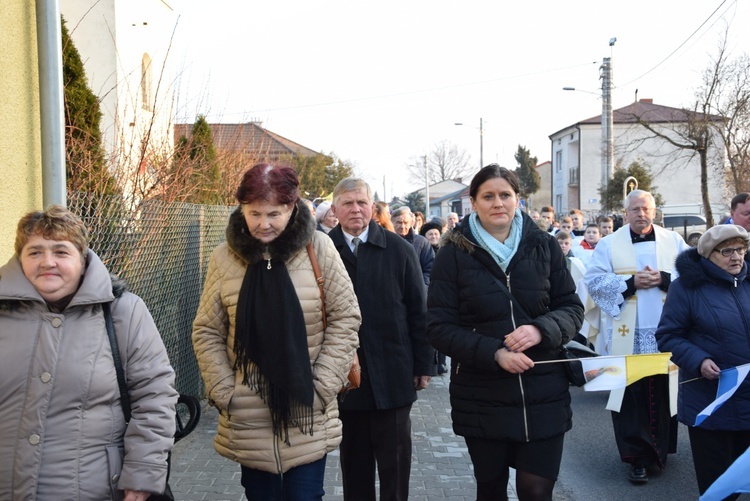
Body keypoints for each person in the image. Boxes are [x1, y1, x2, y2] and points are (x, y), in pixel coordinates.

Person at [191, 164, 361, 500]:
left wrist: (322, 386)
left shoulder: (319, 249)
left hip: (308, 410)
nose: (262, 224)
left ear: (292, 208)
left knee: (305, 496)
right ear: (241, 208)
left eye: (273, 214)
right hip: (247, 415)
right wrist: (225, 390)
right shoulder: (224, 258)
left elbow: (346, 318)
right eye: (254, 213)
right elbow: (207, 329)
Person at [427, 165, 584, 501]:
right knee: (491, 490)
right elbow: (438, 327)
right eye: (488, 196)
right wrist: (493, 353)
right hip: (483, 394)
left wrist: (541, 330)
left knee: (536, 490)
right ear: (473, 202)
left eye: (505, 195)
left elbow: (572, 308)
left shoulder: (544, 245)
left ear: (517, 200)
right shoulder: (452, 254)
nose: (498, 203)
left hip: (543, 390)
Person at [0, 206, 178, 500]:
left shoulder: (123, 311)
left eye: (60, 251)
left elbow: (154, 396)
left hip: (95, 488)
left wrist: (142, 474)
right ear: (20, 259)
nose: (47, 262)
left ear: (82, 260)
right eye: (35, 252)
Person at [328, 177, 434, 501]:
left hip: (394, 375)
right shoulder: (320, 251)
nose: (355, 209)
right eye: (347, 203)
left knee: (396, 470)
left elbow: (419, 311)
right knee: (355, 470)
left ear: (372, 207)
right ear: (334, 209)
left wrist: (424, 364)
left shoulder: (399, 249)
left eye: (361, 202)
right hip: (346, 380)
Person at [584, 189, 689, 484]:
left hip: (666, 333)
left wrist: (664, 279)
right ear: (625, 213)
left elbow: (692, 277)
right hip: (626, 335)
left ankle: (659, 450)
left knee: (662, 390)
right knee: (631, 395)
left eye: (645, 209)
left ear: (654, 212)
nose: (640, 214)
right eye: (635, 209)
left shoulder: (674, 242)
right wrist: (630, 282)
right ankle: (636, 458)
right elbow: (593, 281)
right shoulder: (608, 244)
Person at [655, 225, 750, 498]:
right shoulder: (685, 288)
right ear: (709, 255)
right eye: (727, 251)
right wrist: (699, 360)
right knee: (719, 488)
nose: (737, 257)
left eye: (741, 249)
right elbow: (668, 336)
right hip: (712, 404)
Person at [392, 206, 434, 286]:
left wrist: (423, 289)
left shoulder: (421, 242)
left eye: (406, 223)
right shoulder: (385, 241)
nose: (402, 226)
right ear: (392, 223)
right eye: (399, 222)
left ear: (411, 223)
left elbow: (430, 269)